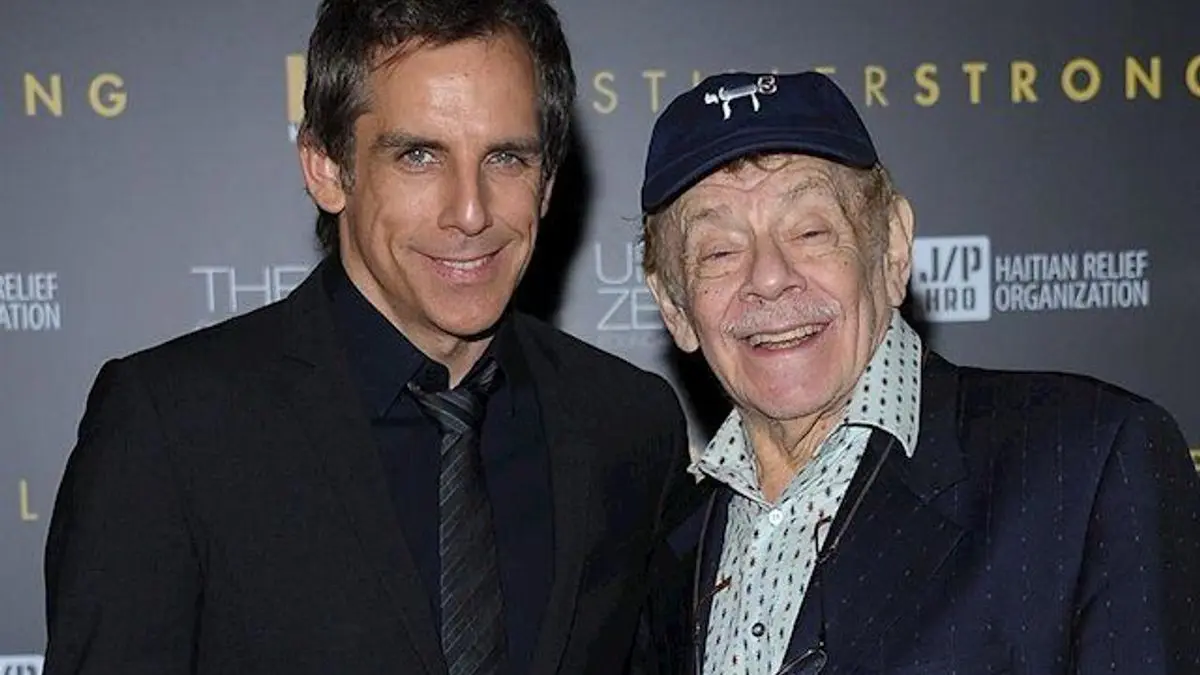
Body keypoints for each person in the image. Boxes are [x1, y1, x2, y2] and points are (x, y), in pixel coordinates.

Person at [42, 1, 694, 673]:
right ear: (327, 167)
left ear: (547, 181)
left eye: (506, 158)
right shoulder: (172, 428)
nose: (470, 212)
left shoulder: (627, 423)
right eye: (419, 155)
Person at [638, 70, 1200, 674]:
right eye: (720, 251)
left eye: (810, 231)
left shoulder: (1085, 467)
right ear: (674, 306)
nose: (769, 277)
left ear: (893, 248)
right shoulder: (658, 552)